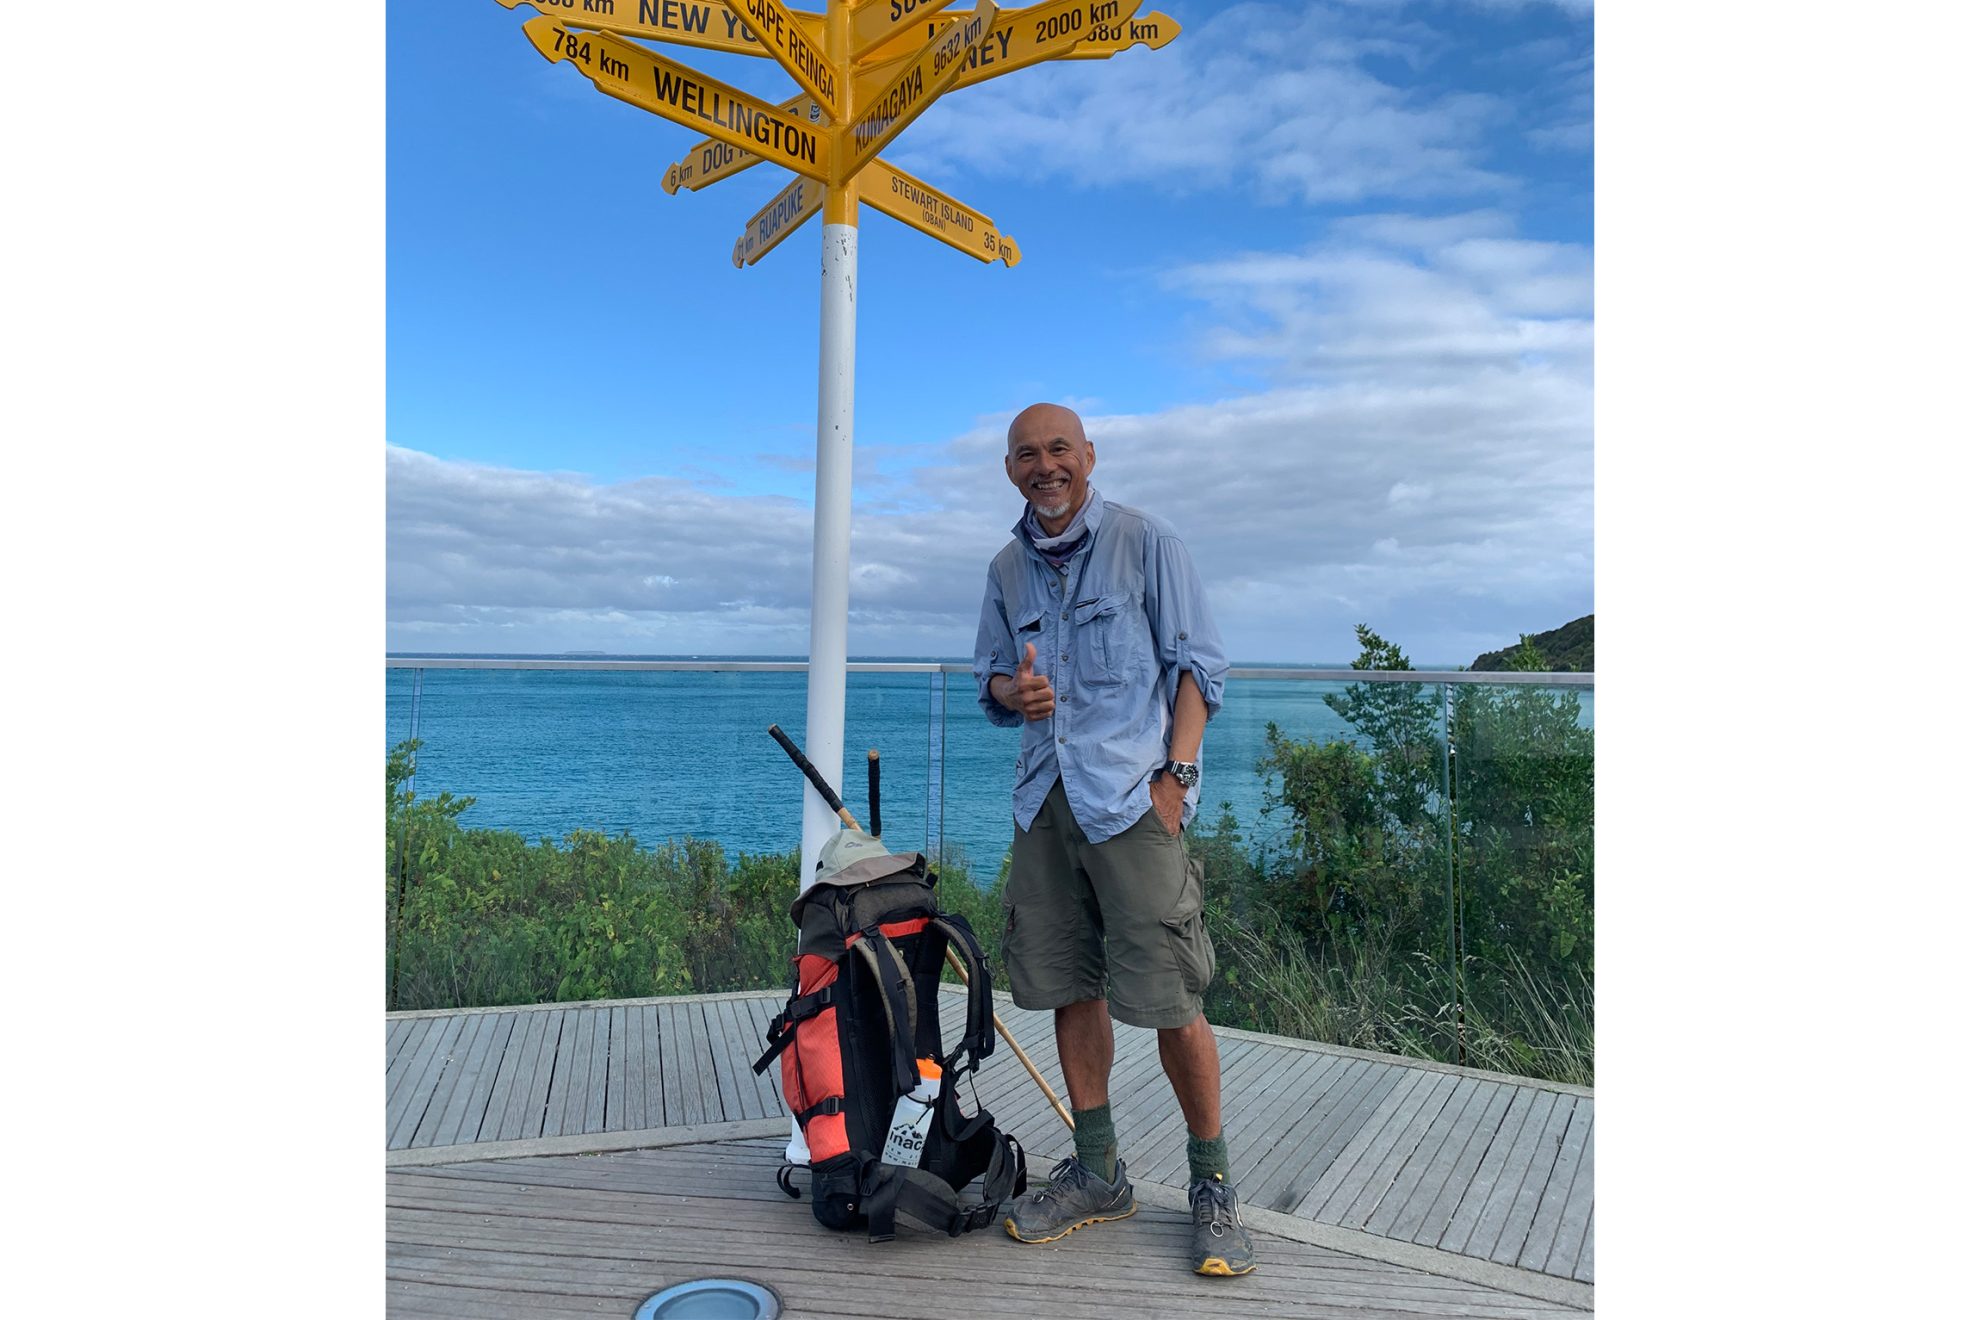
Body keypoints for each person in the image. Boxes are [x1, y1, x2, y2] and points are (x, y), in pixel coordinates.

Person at [972, 402, 1256, 1277]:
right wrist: (1011, 694)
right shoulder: (1006, 568)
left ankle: (1212, 1185)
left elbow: (1200, 667)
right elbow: (991, 678)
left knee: (1173, 997)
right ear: (1010, 469)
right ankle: (1098, 1171)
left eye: (1059, 448)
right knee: (1071, 986)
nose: (1045, 466)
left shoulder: (1146, 541)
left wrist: (1177, 779)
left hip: (1132, 800)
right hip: (1044, 802)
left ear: (1088, 455)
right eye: (1027, 454)